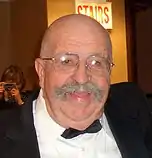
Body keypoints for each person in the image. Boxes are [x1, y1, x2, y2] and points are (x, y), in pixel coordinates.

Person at [0, 14, 152, 158]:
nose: (82, 78)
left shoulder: (135, 114)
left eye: (96, 62)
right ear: (41, 71)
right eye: (66, 61)